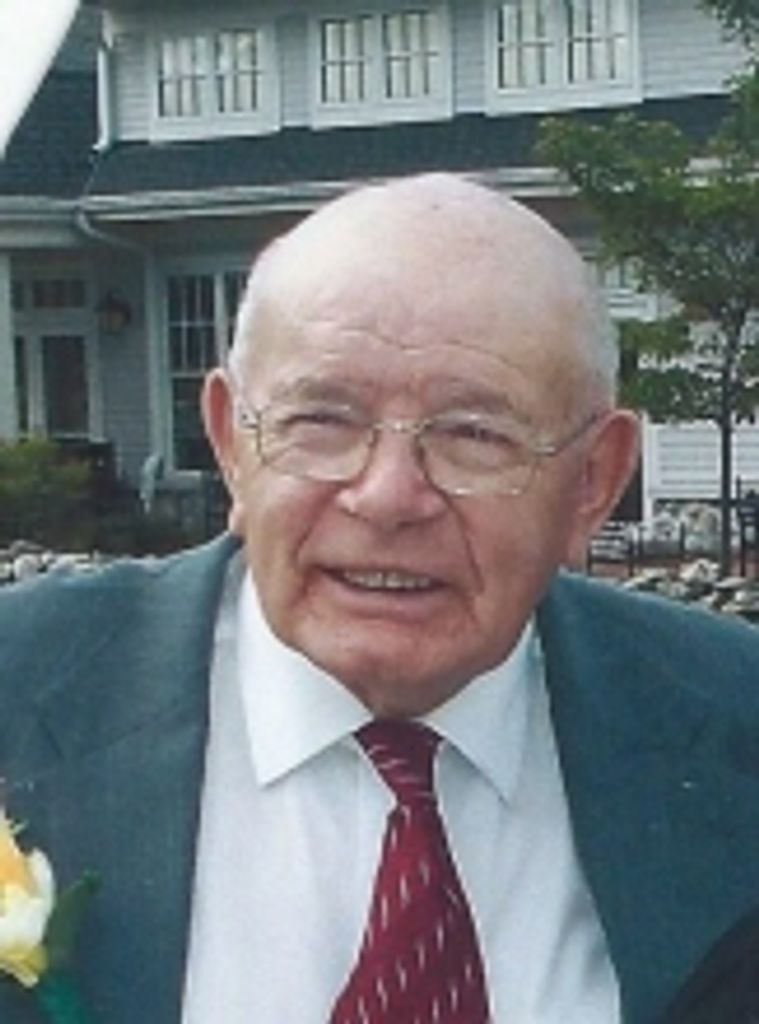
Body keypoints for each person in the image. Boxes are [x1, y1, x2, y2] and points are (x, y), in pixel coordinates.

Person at [2, 173, 759, 1024]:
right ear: (229, 443)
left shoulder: (733, 720)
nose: (389, 496)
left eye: (474, 434)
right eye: (321, 421)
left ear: (593, 481)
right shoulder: (20, 691)